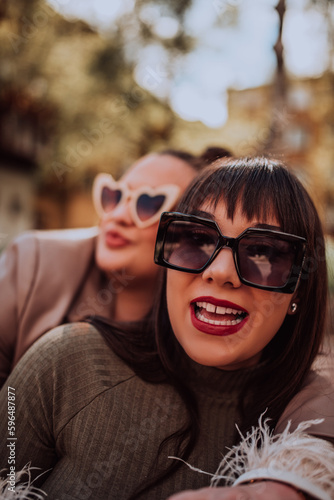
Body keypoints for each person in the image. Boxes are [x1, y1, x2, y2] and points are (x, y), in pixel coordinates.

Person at [0, 156, 333, 500]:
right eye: (198, 239)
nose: (219, 271)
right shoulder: (65, 361)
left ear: (300, 290)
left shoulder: (309, 419)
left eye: (263, 253)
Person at [0, 147, 231, 388]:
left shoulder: (209, 318)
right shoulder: (34, 261)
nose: (118, 215)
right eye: (114, 195)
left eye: (149, 203)